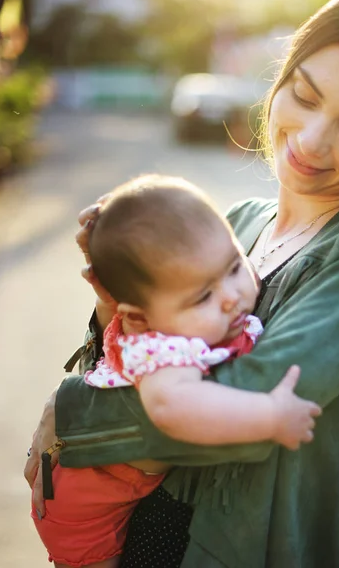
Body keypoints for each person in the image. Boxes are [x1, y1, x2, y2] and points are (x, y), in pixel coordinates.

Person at [25, 0, 339, 567]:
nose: (311, 141)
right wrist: (116, 310)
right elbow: (139, 366)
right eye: (305, 96)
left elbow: (252, 401)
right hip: (126, 540)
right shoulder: (237, 223)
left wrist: (72, 410)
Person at [31, 175, 320, 568]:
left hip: (125, 483)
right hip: (82, 509)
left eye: (235, 266)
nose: (232, 297)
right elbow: (175, 411)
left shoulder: (195, 308)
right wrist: (271, 415)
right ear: (140, 317)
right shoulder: (163, 353)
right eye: (203, 296)